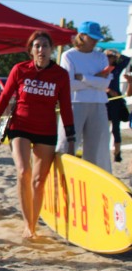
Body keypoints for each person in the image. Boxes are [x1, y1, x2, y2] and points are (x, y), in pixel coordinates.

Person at [0, 31, 75, 240]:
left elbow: (66, 107)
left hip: (46, 130)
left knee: (38, 181)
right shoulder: (20, 69)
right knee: (23, 171)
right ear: (31, 50)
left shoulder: (60, 75)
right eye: (37, 46)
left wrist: (71, 138)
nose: (41, 50)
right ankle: (28, 225)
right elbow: (4, 98)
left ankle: (33, 224)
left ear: (51, 49)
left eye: (45, 46)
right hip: (20, 127)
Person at [57, 21, 111, 171]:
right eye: (91, 37)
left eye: (96, 38)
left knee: (98, 149)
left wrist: (84, 78)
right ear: (81, 36)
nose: (95, 41)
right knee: (66, 144)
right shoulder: (68, 55)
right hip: (74, 104)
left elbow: (105, 84)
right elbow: (68, 84)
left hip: (98, 104)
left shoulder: (101, 57)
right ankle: (60, 175)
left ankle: (96, 179)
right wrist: (95, 80)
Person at [104, 48, 129, 162]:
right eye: (108, 57)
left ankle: (117, 152)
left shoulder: (116, 68)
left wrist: (115, 52)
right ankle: (101, 150)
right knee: (101, 127)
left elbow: (126, 59)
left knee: (116, 128)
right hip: (103, 100)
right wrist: (107, 90)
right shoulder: (100, 68)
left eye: (112, 57)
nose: (110, 59)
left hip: (115, 101)